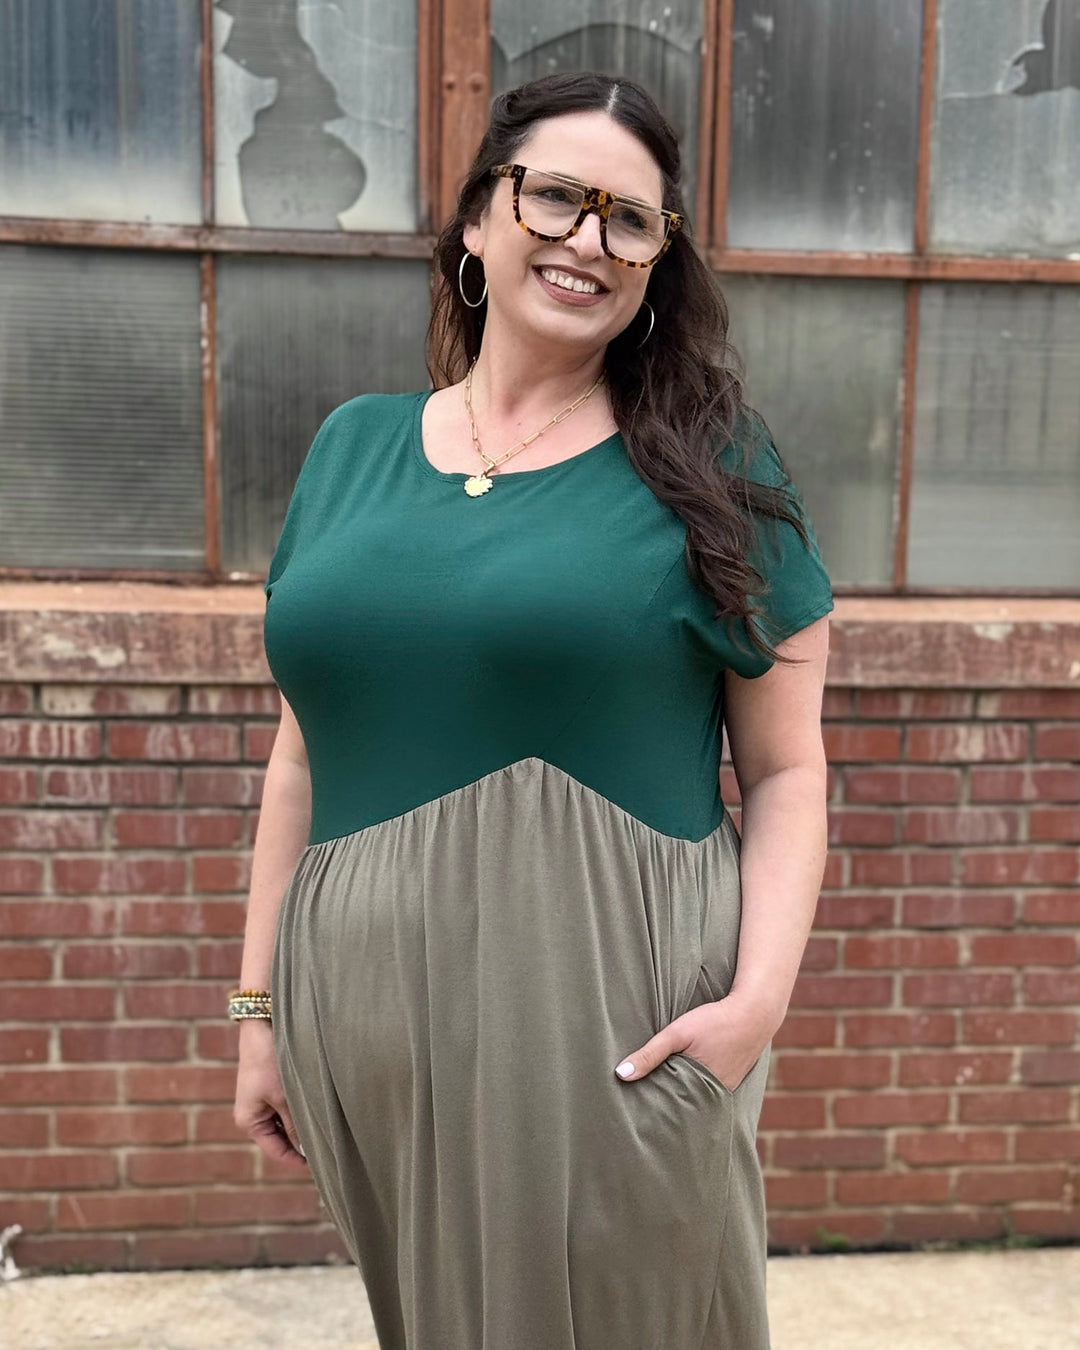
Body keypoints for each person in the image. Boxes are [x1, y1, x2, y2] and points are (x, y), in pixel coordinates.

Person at [232, 71, 832, 1350]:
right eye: (555, 196)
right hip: (369, 1031)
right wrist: (258, 1013)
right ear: (476, 219)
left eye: (631, 219)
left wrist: (757, 1007)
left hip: (608, 1019)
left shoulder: (716, 467)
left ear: (659, 261)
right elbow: (302, 753)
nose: (586, 240)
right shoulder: (351, 448)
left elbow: (787, 772)